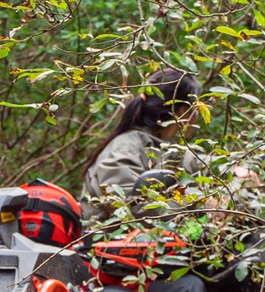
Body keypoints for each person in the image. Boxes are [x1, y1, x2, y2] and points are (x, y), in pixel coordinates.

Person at [81, 66, 202, 205]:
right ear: (182, 111)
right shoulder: (126, 147)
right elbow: (132, 205)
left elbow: (205, 169)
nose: (199, 115)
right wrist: (199, 202)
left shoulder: (172, 150)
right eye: (197, 108)